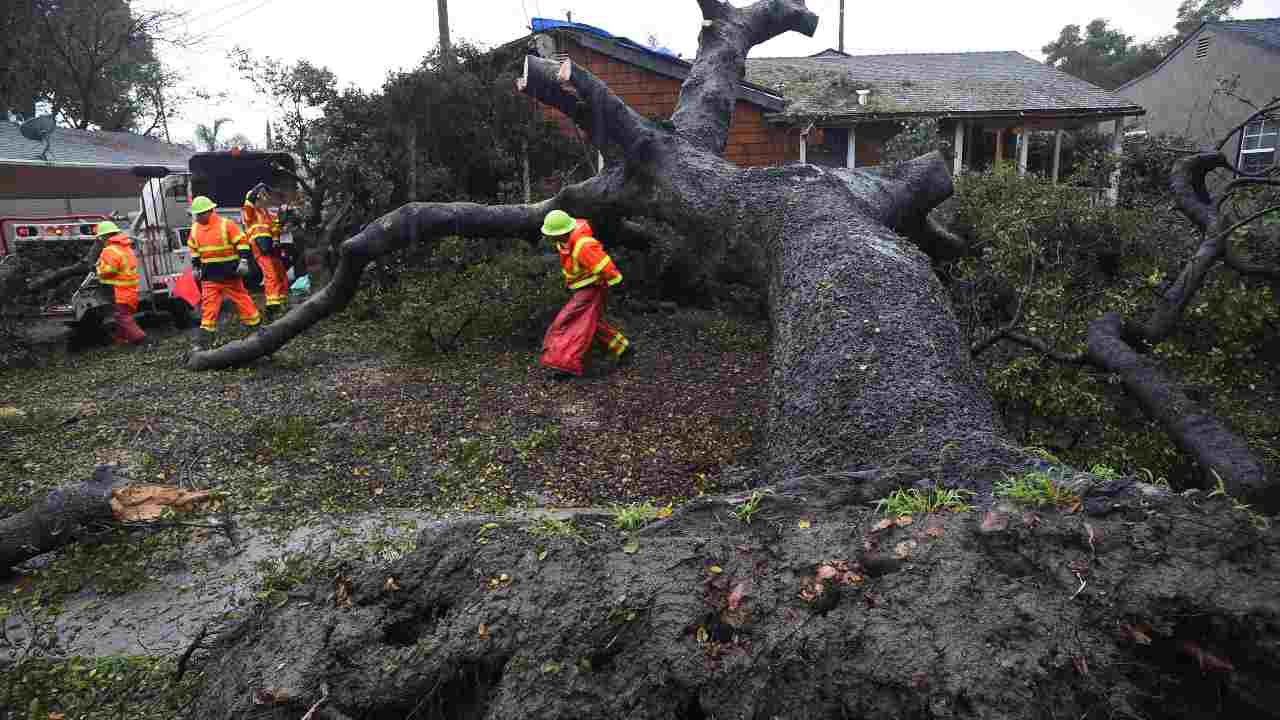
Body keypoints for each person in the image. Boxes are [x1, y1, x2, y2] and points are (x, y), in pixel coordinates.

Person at [538, 210, 631, 376]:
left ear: (563, 232)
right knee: (591, 323)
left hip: (592, 288)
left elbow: (603, 265)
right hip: (583, 289)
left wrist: (616, 282)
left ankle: (565, 364)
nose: (548, 238)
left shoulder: (582, 244)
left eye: (551, 234)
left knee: (570, 322)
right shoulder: (565, 241)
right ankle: (623, 349)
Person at [187, 195, 260, 348]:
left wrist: (244, 260)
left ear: (210, 211)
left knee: (242, 300)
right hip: (209, 276)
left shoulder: (226, 225)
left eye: (201, 214)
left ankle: (256, 329)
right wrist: (195, 267)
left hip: (230, 275)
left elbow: (242, 243)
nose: (198, 217)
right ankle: (205, 339)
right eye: (196, 214)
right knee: (208, 307)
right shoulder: (194, 229)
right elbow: (194, 250)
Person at [241, 183, 289, 321]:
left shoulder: (266, 213)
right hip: (258, 245)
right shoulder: (249, 212)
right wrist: (258, 187)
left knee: (280, 274)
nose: (262, 200)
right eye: (259, 198)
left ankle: (281, 300)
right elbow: (249, 200)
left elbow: (276, 228)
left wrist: (283, 218)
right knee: (270, 274)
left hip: (270, 245)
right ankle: (272, 304)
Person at [93, 221, 146, 346]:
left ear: (105, 236)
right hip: (130, 290)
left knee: (122, 317)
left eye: (101, 238)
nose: (101, 241)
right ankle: (121, 340)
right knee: (123, 316)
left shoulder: (109, 250)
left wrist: (99, 269)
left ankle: (142, 340)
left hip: (118, 291)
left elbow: (111, 269)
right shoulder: (126, 248)